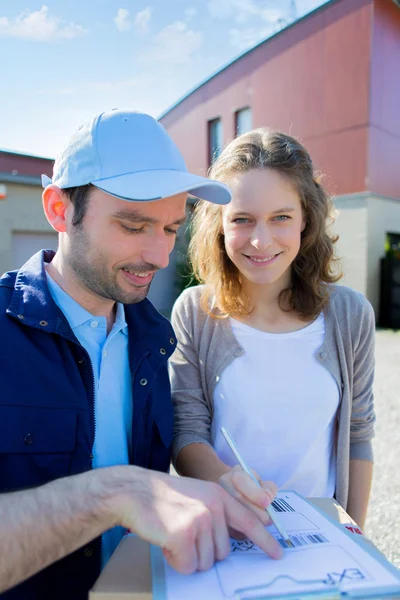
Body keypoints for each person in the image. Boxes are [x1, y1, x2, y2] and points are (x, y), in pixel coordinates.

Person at [0, 111, 281, 599]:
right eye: (134, 226)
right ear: (59, 210)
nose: (160, 255)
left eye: (172, 229)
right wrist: (114, 494)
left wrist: (217, 488)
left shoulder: (155, 338)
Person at [170, 128, 376, 531]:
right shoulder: (194, 312)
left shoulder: (350, 314)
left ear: (305, 220)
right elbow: (186, 432)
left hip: (323, 535)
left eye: (280, 217)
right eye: (242, 220)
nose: (261, 241)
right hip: (226, 534)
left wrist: (356, 536)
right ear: (219, 225)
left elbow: (358, 433)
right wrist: (230, 484)